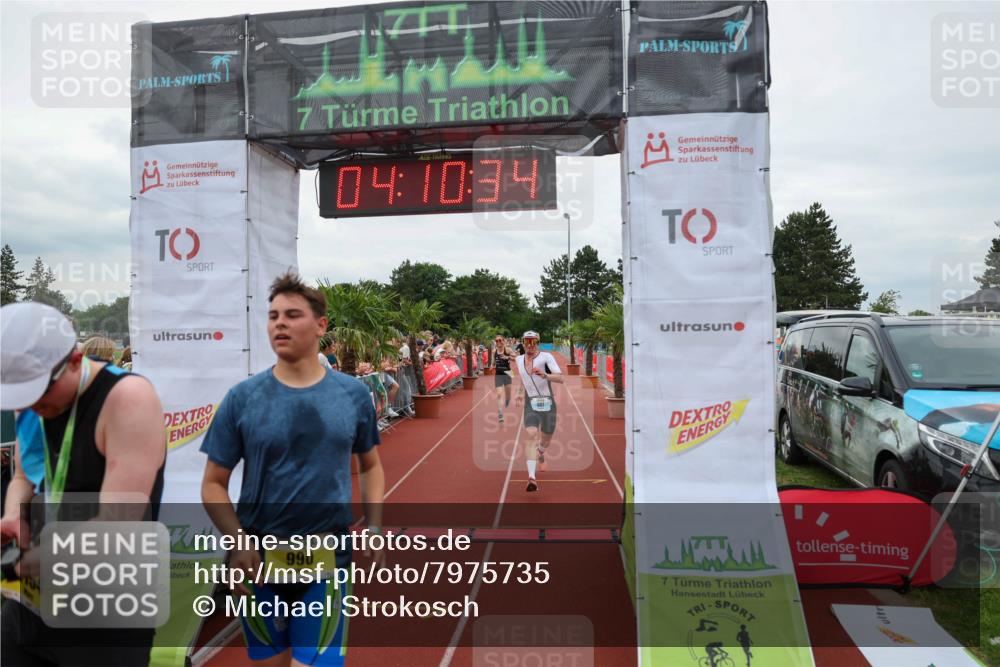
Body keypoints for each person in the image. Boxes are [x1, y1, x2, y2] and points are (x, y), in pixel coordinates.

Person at [200, 272, 384, 667]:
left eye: (292, 314)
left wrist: (375, 525)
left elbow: (370, 465)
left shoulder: (352, 395)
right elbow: (213, 484)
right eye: (273, 315)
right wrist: (238, 541)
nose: (279, 323)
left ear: (320, 325)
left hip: (326, 559)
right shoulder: (242, 398)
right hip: (259, 562)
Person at [0, 302, 166, 666]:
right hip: (32, 601)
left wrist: (44, 558)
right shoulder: (30, 397)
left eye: (39, 391)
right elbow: (23, 475)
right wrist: (13, 514)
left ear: (74, 360)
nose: (30, 404)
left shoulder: (127, 398)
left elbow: (118, 521)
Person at [514, 331, 563, 492]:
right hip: (531, 403)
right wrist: (520, 393)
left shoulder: (546, 357)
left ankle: (541, 452)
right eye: (527, 341)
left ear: (538, 342)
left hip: (548, 403)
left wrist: (545, 375)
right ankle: (531, 477)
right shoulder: (518, 359)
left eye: (533, 341)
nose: (530, 345)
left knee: (546, 437)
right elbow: (523, 377)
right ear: (523, 343)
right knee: (530, 434)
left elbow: (560, 378)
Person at [493, 336, 515, 423]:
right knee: (499, 394)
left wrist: (508, 357)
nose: (498, 342)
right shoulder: (495, 351)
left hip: (508, 373)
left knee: (508, 395)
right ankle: (500, 413)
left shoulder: (508, 350)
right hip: (498, 374)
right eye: (497, 340)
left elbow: (516, 358)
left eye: (500, 340)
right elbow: (493, 362)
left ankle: (507, 399)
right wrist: (492, 366)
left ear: (503, 341)